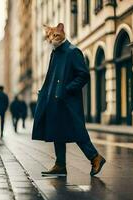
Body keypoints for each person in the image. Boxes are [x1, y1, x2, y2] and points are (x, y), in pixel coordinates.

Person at [32, 23, 106, 177]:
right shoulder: (55, 52)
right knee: (56, 131)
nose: (52, 39)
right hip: (55, 101)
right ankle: (60, 165)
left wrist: (66, 89)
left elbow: (83, 75)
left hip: (68, 101)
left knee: (77, 131)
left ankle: (95, 157)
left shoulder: (73, 52)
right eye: (49, 37)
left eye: (55, 35)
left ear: (63, 32)